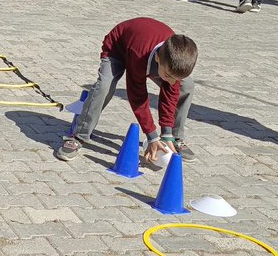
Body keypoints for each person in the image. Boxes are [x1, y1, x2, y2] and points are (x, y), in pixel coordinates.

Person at [55, 17, 198, 163]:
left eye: (175, 77)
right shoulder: (139, 55)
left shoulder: (174, 58)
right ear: (157, 58)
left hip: (146, 49)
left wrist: (166, 133)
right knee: (104, 87)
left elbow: (170, 95)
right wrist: (152, 135)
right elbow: (138, 97)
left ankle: (175, 138)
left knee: (186, 86)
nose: (171, 81)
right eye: (168, 75)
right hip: (118, 49)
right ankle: (78, 136)